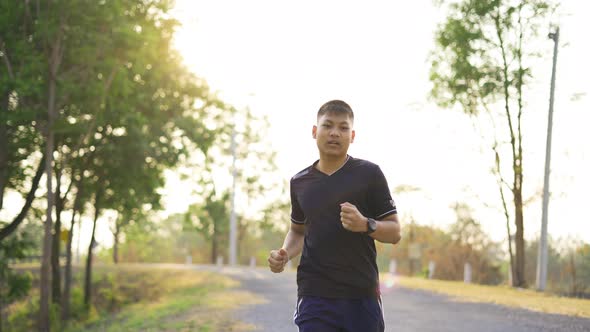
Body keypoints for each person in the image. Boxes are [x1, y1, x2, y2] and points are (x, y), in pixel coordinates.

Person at [268, 100, 401, 332]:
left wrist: (365, 224)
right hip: (314, 294)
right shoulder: (300, 182)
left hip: (361, 294)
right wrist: (284, 254)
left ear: (352, 135)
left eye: (343, 128)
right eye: (327, 125)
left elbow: (395, 232)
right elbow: (298, 230)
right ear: (314, 131)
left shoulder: (370, 174)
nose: (334, 133)